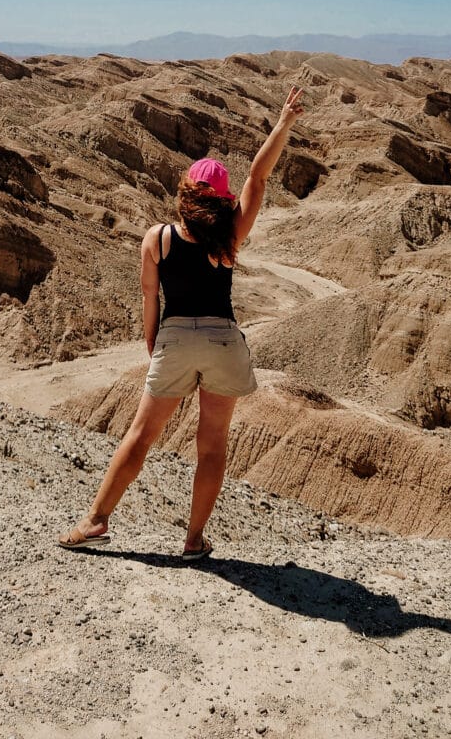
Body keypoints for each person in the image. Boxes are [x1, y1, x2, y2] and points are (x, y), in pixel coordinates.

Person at [59, 85, 304, 560]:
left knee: (140, 435)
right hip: (223, 342)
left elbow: (150, 297)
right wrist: (284, 123)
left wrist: (156, 343)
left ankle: (94, 522)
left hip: (174, 339)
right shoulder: (230, 234)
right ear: (222, 200)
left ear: (186, 193)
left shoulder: (158, 238)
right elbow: (258, 175)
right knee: (211, 447)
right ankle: (193, 541)